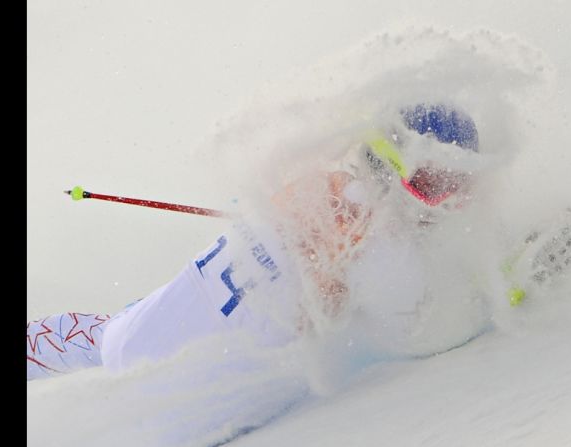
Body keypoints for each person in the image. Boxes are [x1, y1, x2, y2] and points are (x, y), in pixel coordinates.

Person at [27, 102, 489, 381]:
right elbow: (422, 336)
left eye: (459, 186)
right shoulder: (391, 260)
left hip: (126, 332)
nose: (448, 204)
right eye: (436, 185)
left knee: (89, 334)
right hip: (179, 412)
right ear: (396, 174)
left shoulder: (305, 180)